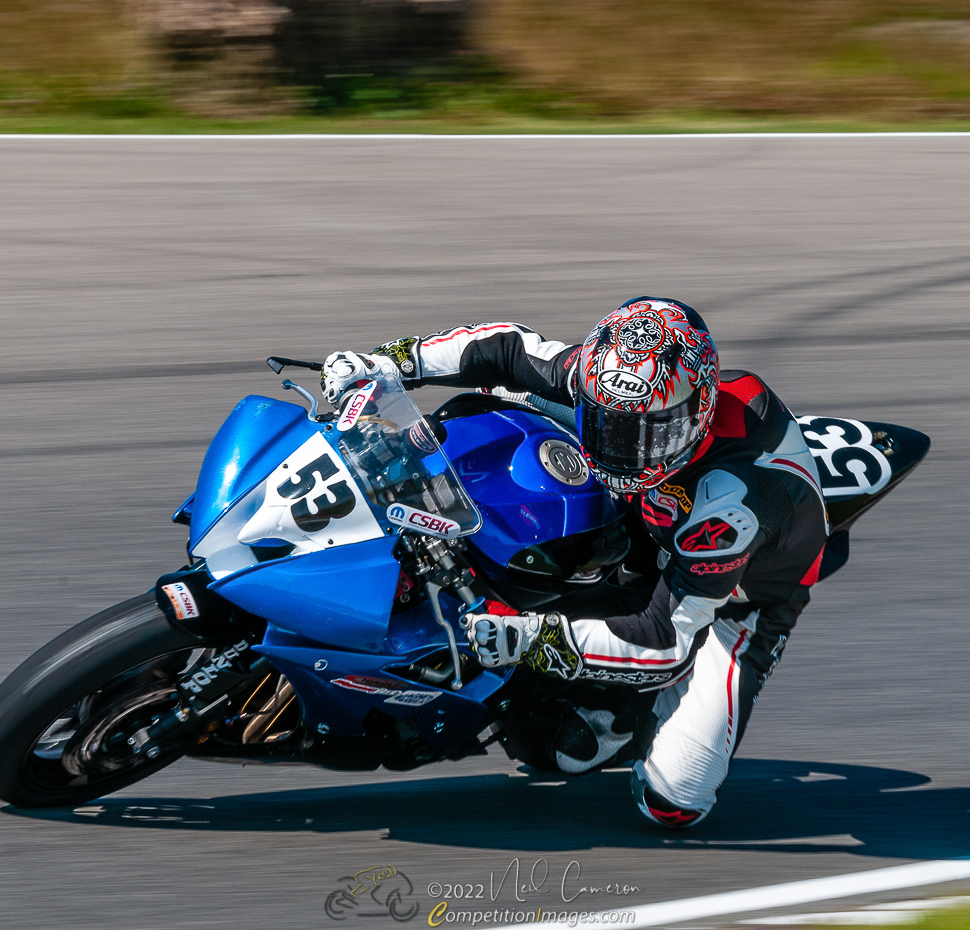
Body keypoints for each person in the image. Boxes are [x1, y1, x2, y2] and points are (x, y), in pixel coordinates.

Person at [320, 297, 827, 828]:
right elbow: (508, 349)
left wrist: (534, 639)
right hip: (653, 519)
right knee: (496, 394)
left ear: (696, 416)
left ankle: (622, 711)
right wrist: (386, 364)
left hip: (732, 601)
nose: (621, 450)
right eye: (608, 425)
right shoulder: (608, 380)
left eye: (650, 436)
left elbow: (667, 642)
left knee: (675, 799)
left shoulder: (730, 506)